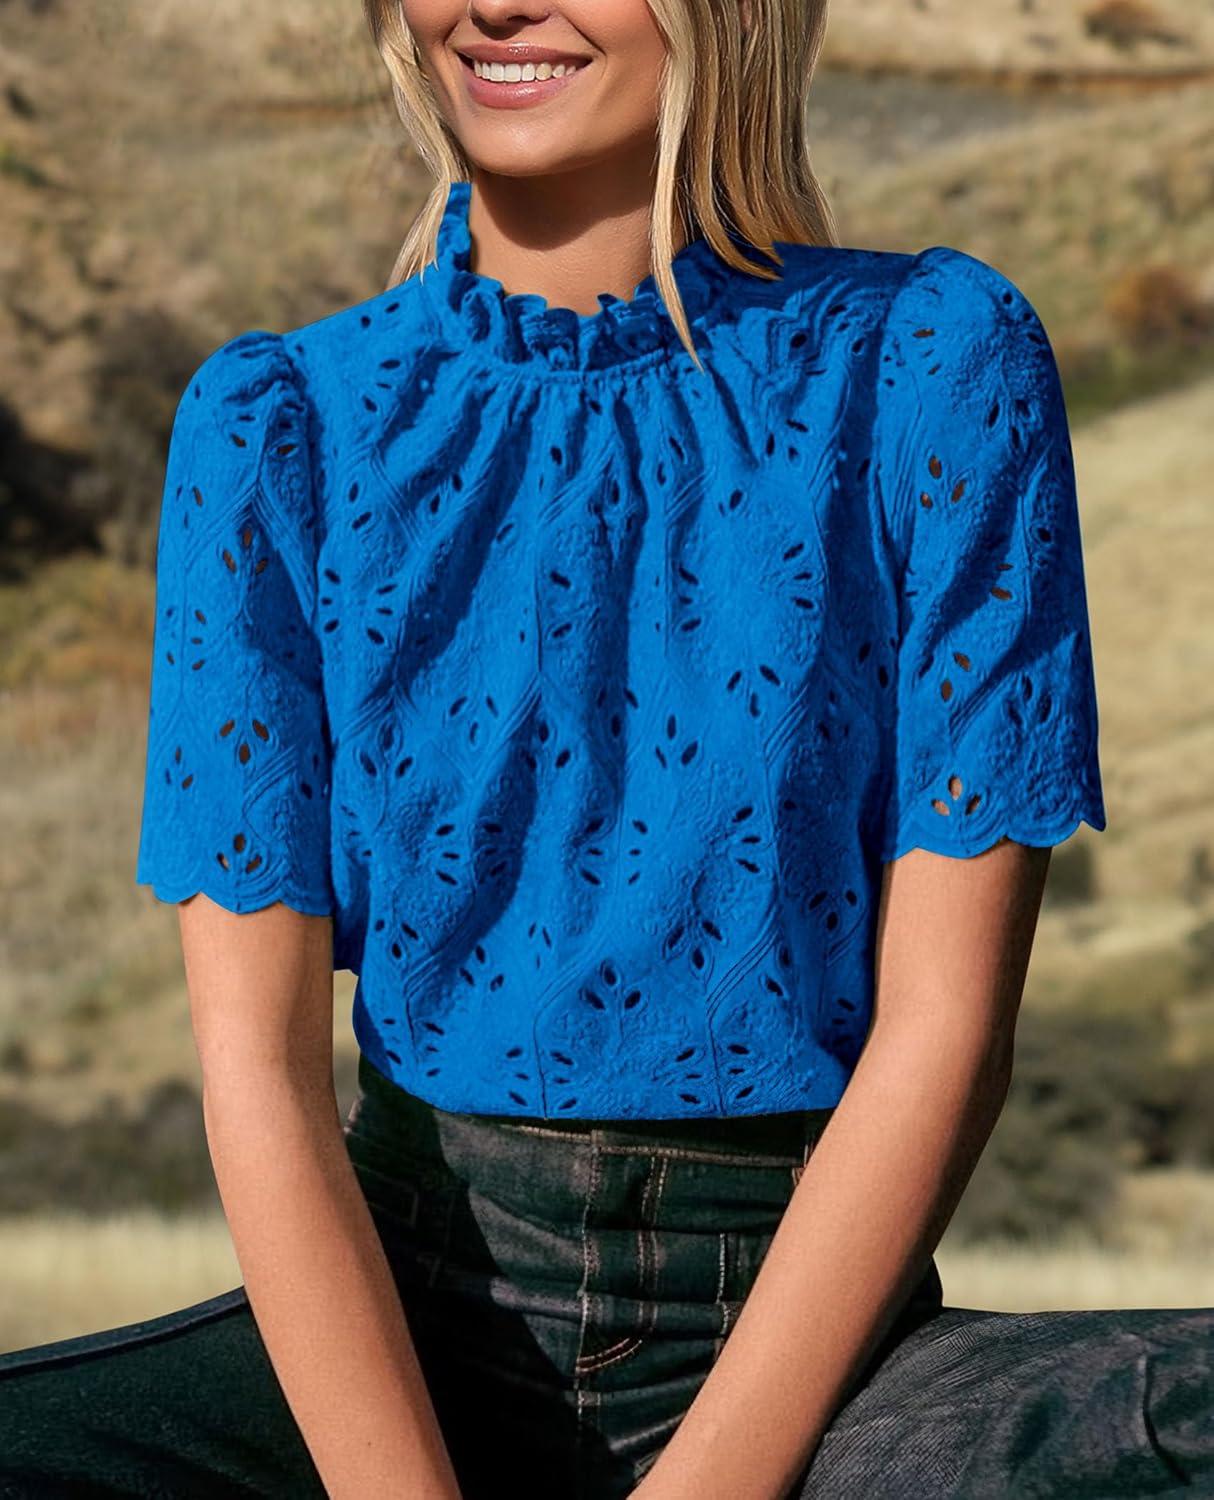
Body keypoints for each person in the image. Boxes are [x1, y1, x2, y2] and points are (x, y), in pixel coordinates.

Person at [1, 2, 1212, 1498]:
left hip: (809, 1346)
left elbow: (945, 1028)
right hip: (393, 1329)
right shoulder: (280, 424)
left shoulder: (930, 362)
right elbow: (257, 1074)